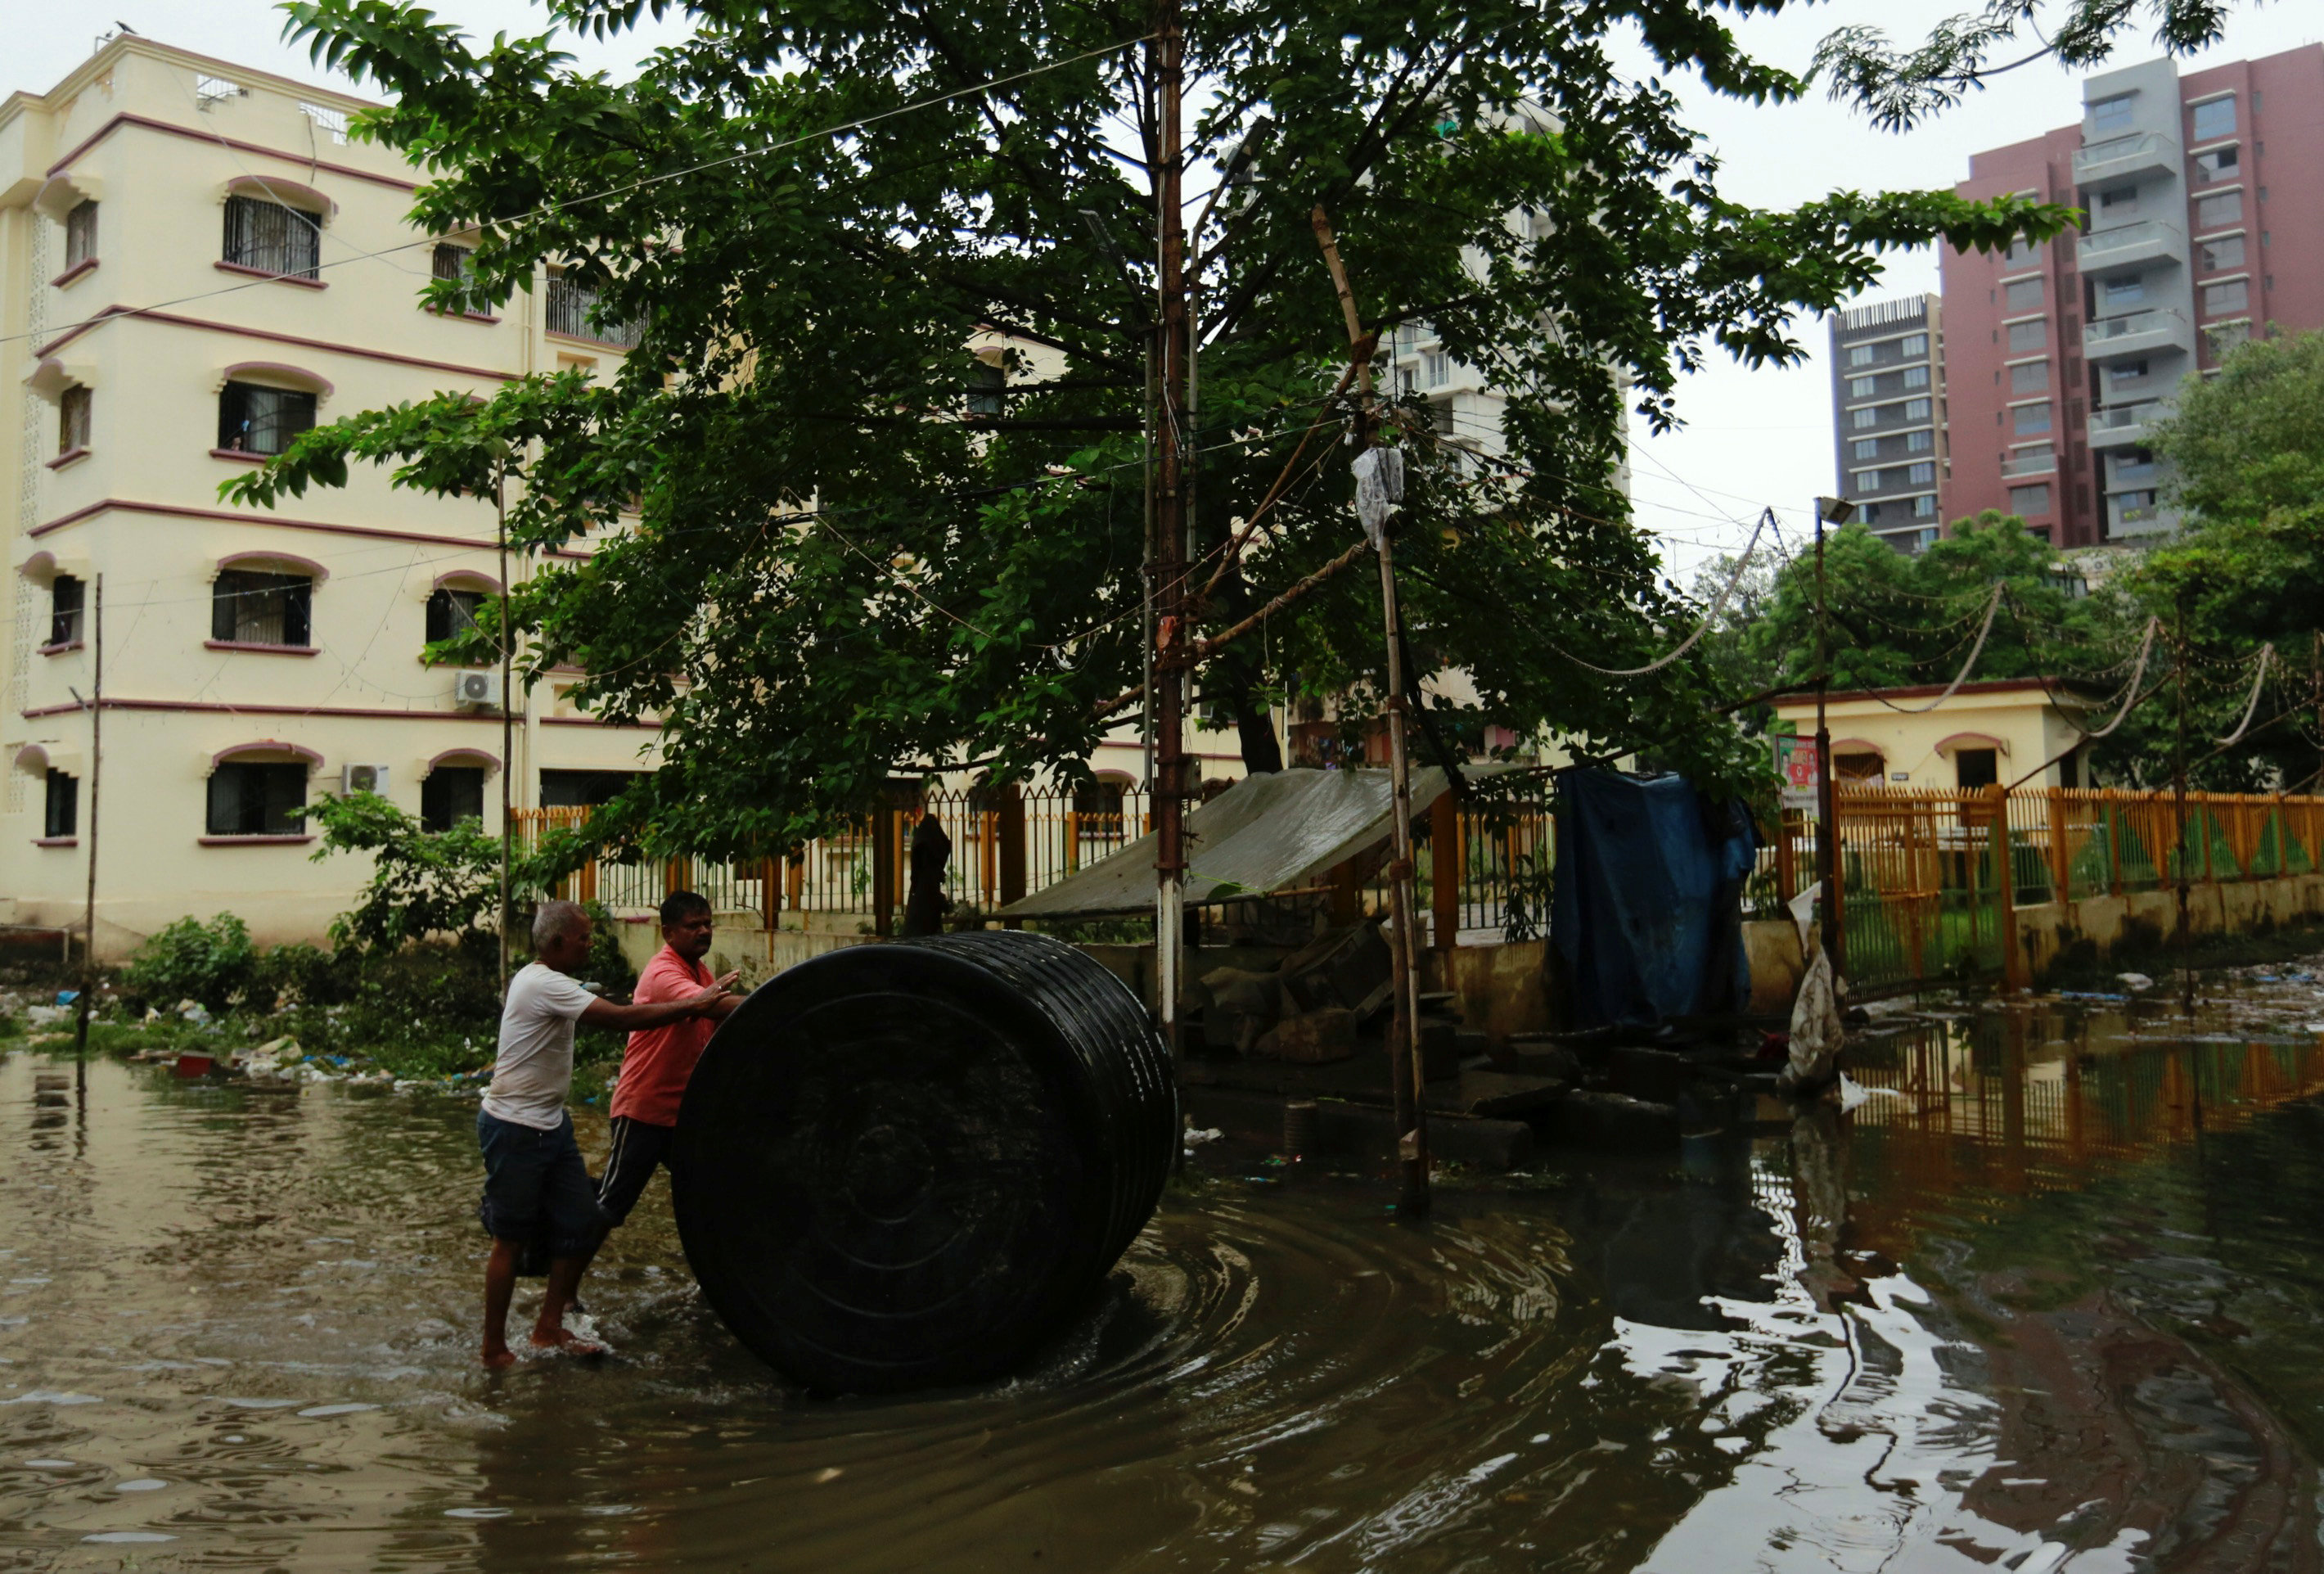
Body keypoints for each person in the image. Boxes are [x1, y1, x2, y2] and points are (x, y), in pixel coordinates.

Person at [477, 899, 736, 1368]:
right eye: (584, 937)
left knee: (580, 1221)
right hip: (515, 1125)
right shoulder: (541, 983)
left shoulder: (557, 981)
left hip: (552, 1123)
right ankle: (494, 1349)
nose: (591, 944)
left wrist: (701, 1002)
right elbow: (619, 1019)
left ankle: (548, 1329)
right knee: (509, 1238)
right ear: (556, 944)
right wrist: (696, 1005)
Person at [590, 890, 742, 1249]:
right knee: (610, 1206)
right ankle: (562, 1292)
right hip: (643, 1113)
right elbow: (709, 1007)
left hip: (681, 1115)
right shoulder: (664, 972)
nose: (704, 931)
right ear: (668, 933)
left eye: (707, 924)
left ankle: (718, 1281)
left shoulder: (700, 970)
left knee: (714, 1192)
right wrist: (774, 1001)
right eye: (693, 926)